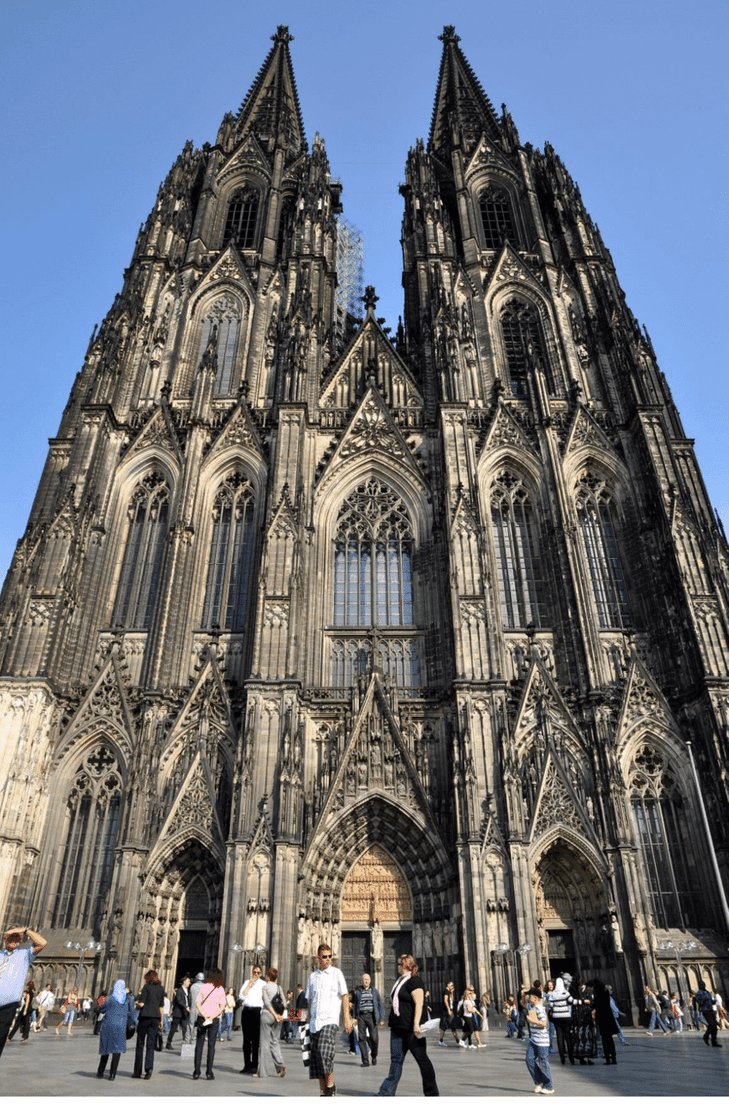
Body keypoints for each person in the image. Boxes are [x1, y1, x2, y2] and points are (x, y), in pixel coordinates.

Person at [376, 953, 438, 1096]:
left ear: (404, 965)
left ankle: (432, 1093)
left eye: (399, 964)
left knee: (422, 1060)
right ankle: (386, 1093)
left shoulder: (414, 981)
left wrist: (416, 1024)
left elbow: (419, 1003)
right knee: (396, 1061)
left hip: (411, 1029)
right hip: (398, 1028)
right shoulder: (400, 981)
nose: (397, 966)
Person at [305, 943, 352, 1097]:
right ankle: (324, 1092)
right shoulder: (312, 976)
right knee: (316, 1060)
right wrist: (307, 1020)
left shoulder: (337, 973)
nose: (327, 959)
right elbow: (310, 1000)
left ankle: (330, 1086)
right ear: (318, 958)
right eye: (324, 957)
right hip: (314, 1024)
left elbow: (345, 995)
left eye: (330, 956)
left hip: (330, 1021)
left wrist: (347, 1019)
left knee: (325, 1054)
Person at [0, 926, 46, 1060]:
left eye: (16, 937)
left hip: (7, 1006)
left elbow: (42, 943)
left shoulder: (24, 954)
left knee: (0, 1037)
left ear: (20, 940)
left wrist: (25, 930)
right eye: (11, 937)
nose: (13, 940)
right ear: (5, 938)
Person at [96, 979, 134, 1080]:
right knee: (117, 1051)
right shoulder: (128, 999)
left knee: (106, 1049)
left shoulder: (110, 998)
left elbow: (102, 1009)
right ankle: (112, 1075)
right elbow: (132, 1011)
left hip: (108, 1025)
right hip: (120, 1027)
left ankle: (100, 1072)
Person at [193, 967, 226, 1080]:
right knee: (211, 1045)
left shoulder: (204, 987)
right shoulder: (220, 989)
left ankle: (196, 1072)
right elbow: (222, 1006)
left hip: (202, 1018)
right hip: (214, 1019)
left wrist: (204, 1014)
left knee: (199, 1044)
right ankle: (209, 1072)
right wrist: (212, 1016)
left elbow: (197, 1002)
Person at [132, 969, 165, 1079]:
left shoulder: (146, 987)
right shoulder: (161, 989)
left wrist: (136, 1006)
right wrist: (161, 1021)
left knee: (140, 1044)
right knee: (150, 1044)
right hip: (155, 1018)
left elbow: (142, 1003)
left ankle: (137, 1072)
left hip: (145, 1017)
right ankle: (149, 1069)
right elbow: (161, 1007)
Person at [524, 987, 554, 1095]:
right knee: (529, 1059)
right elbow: (523, 1003)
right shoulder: (532, 1007)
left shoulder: (540, 1009)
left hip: (542, 1041)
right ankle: (539, 1081)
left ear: (535, 998)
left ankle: (549, 1086)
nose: (528, 998)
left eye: (530, 996)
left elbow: (544, 1023)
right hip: (534, 1040)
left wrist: (532, 1020)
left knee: (543, 1063)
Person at [259, 967, 286, 1078]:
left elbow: (267, 1002)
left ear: (268, 976)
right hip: (277, 1018)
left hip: (267, 1015)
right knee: (274, 1041)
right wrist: (279, 1016)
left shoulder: (265, 987)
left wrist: (273, 1014)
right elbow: (284, 1003)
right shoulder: (279, 988)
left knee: (264, 1044)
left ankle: (263, 1073)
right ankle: (280, 1065)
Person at [238, 963, 265, 1075]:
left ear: (261, 973)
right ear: (252, 972)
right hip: (246, 1011)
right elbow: (241, 996)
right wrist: (249, 985)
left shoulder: (264, 984)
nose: (256, 974)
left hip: (256, 1012)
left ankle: (254, 1065)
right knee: (246, 1041)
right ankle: (246, 1065)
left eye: (258, 972)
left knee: (255, 1041)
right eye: (254, 972)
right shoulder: (246, 983)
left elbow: (266, 999)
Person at [545, 974, 577, 1065]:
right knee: (568, 1037)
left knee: (560, 1037)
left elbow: (550, 1006)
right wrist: (582, 1001)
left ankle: (562, 1058)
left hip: (556, 1018)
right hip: (566, 1017)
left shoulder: (553, 994)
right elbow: (572, 1002)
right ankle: (571, 1058)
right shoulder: (565, 993)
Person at [354, 972, 384, 1067]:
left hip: (372, 1016)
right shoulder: (358, 992)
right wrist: (355, 1018)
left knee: (374, 1039)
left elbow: (380, 1004)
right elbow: (356, 1006)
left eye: (367, 980)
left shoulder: (374, 991)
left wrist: (381, 1018)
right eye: (364, 980)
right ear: (362, 981)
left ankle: (374, 1055)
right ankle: (365, 1061)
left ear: (370, 981)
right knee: (361, 1039)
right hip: (361, 1017)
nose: (366, 981)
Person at [589, 978, 617, 1065]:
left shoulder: (597, 992)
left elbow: (596, 1004)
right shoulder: (606, 991)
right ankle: (614, 1059)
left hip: (602, 1017)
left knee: (604, 1039)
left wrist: (589, 1005)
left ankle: (608, 1059)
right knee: (610, 1039)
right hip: (609, 1016)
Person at [166, 976, 191, 1049]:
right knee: (173, 1029)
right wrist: (186, 1007)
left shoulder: (187, 991)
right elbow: (179, 1000)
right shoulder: (179, 990)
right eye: (188, 981)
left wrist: (189, 1006)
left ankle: (185, 1043)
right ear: (184, 982)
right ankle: (168, 1043)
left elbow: (187, 1001)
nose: (189, 983)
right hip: (178, 1013)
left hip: (184, 1013)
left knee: (185, 1029)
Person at [694, 982, 721, 1048]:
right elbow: (700, 1002)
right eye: (701, 985)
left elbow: (711, 1001)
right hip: (705, 1010)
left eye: (703, 985)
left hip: (711, 1009)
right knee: (711, 1024)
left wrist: (713, 1001)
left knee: (714, 1026)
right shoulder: (699, 993)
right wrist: (704, 1000)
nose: (702, 986)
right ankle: (706, 1036)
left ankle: (714, 1042)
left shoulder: (707, 992)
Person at [439, 981, 459, 1046]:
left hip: (449, 1010)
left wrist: (452, 992)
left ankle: (441, 1040)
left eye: (453, 985)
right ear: (447, 985)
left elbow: (451, 1000)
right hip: (447, 1011)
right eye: (451, 985)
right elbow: (445, 1000)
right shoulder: (446, 991)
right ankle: (457, 1041)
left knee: (445, 1026)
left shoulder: (449, 992)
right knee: (451, 1025)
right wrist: (448, 1010)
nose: (452, 986)